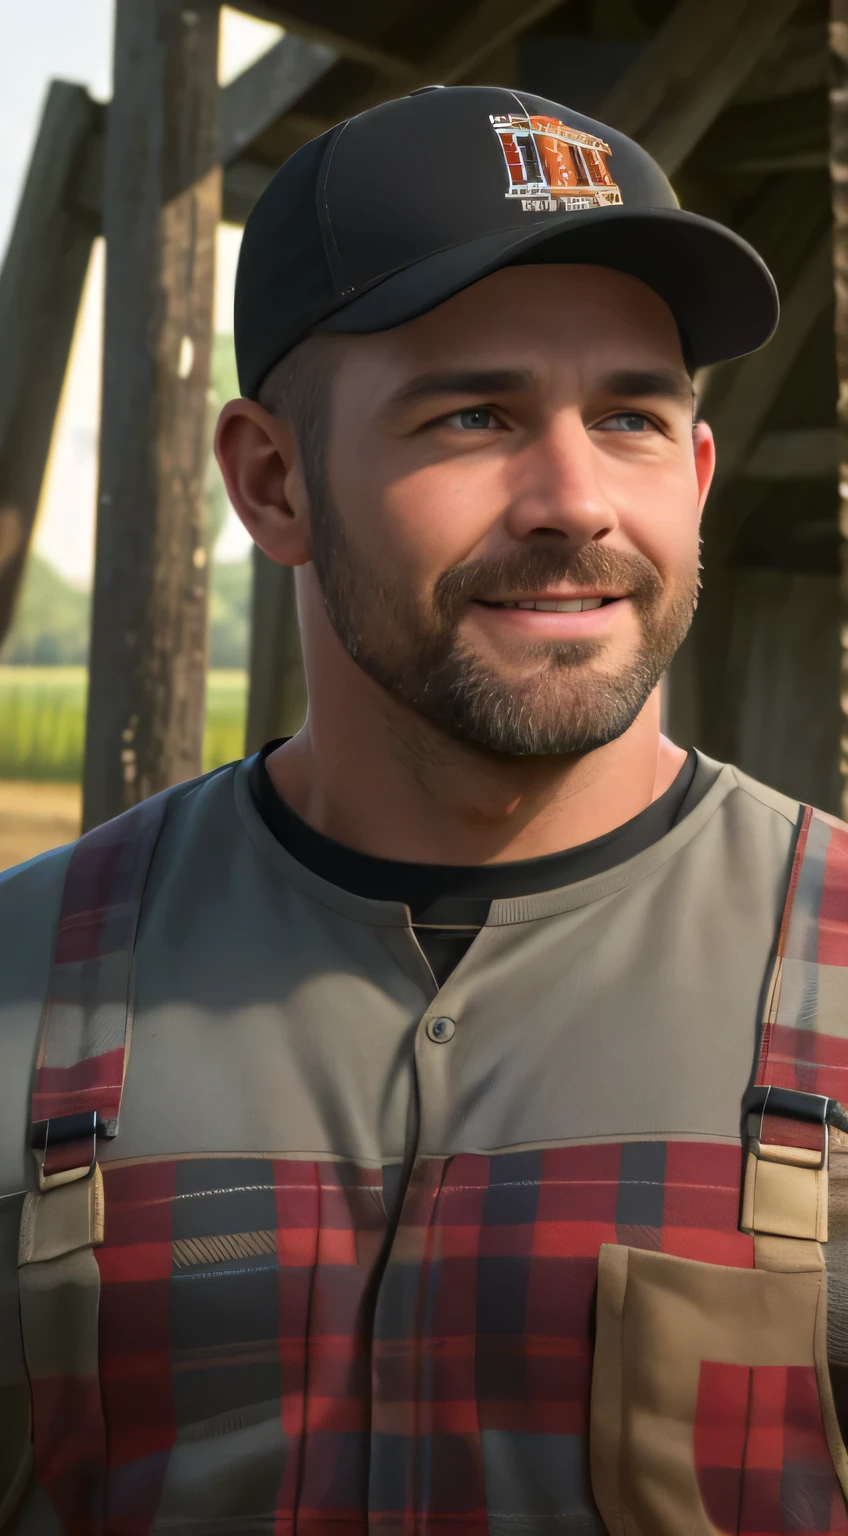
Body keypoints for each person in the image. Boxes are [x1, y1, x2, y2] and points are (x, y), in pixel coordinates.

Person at [2, 83, 847, 1535]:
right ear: (273, 483)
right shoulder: (24, 987)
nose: (574, 499)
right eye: (476, 413)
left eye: (633, 417)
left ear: (697, 478)